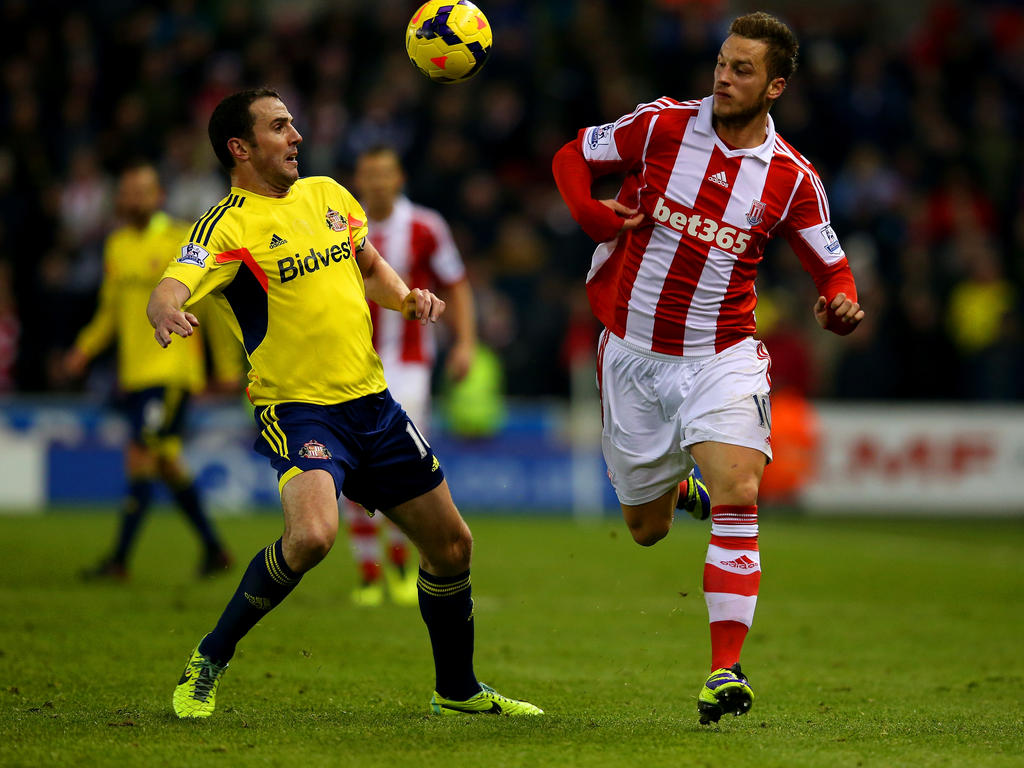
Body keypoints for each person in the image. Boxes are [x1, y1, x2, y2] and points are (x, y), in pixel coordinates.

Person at [150, 88, 541, 719]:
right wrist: (166, 305)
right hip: (300, 410)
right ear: (240, 148)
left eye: (295, 124)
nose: (296, 135)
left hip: (374, 404)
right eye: (280, 127)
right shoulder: (225, 225)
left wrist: (408, 298)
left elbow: (368, 268)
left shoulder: (330, 194)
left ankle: (457, 689)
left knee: (453, 547)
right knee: (311, 537)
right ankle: (209, 659)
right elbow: (175, 281)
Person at [552, 12, 863, 725]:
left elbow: (833, 267)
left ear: (775, 86)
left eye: (743, 69)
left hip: (721, 357)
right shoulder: (660, 126)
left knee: (740, 491)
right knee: (645, 528)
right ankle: (678, 494)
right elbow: (573, 155)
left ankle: (724, 669)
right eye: (722, 63)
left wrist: (839, 303)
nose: (724, 76)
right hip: (630, 355)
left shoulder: (791, 179)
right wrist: (591, 213)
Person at [65, 161, 236, 581]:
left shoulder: (183, 239)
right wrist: (84, 349)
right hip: (135, 375)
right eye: (127, 191)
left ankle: (119, 560)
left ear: (159, 196)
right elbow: (110, 310)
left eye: (143, 191)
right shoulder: (117, 245)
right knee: (165, 462)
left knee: (141, 455)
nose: (134, 199)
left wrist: (229, 366)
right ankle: (215, 550)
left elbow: (211, 306)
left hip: (173, 370)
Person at [344, 145, 477, 607]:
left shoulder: (425, 225)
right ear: (358, 179)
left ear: (399, 178)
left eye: (385, 173)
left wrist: (465, 343)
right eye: (369, 173)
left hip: (409, 364)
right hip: (351, 362)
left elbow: (456, 284)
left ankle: (399, 562)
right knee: (349, 467)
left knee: (401, 467)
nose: (377, 182)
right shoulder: (339, 226)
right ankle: (366, 570)